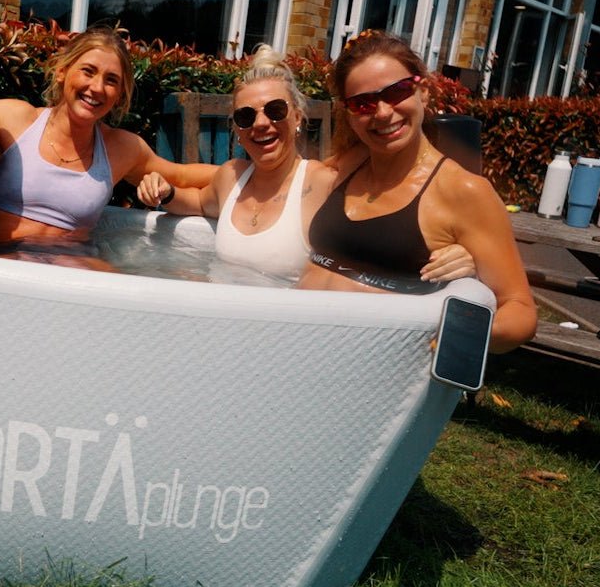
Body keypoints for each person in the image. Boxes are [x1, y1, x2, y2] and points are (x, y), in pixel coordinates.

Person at [136, 46, 475, 288]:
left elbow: (390, 213)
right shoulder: (231, 177)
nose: (261, 123)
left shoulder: (323, 182)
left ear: (297, 117)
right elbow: (197, 203)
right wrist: (164, 193)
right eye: (245, 116)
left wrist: (458, 250)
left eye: (276, 110)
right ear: (237, 130)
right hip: (222, 327)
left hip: (291, 341)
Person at [0, 25, 216, 257]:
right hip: (0, 261)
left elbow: (183, 177)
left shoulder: (121, 148)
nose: (97, 88)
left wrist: (256, 172)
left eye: (111, 80)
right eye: (88, 71)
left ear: (120, 94)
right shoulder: (13, 119)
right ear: (62, 71)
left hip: (75, 268)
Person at [299, 30, 537, 354]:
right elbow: (277, 178)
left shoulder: (463, 191)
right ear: (348, 113)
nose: (383, 112)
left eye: (396, 92)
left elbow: (520, 309)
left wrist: (462, 336)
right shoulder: (348, 164)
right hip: (296, 342)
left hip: (376, 363)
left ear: (422, 92)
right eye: (363, 103)